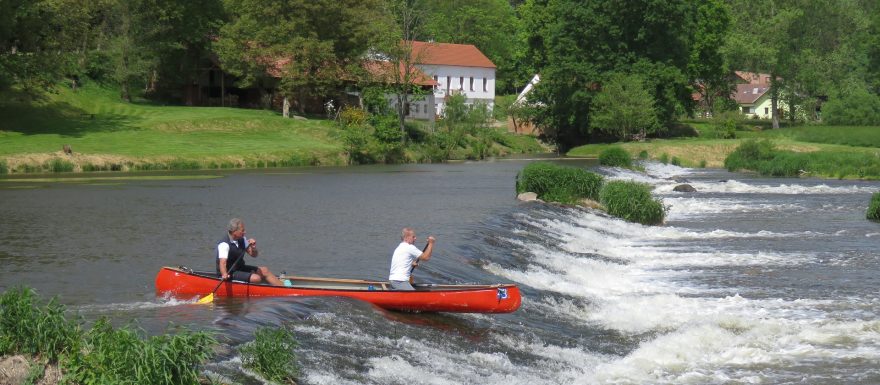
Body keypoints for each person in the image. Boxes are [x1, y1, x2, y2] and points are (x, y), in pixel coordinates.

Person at [216, 218, 284, 286]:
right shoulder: (224, 244)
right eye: (242, 230)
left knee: (264, 270)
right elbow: (222, 263)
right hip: (229, 272)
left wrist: (253, 248)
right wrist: (224, 274)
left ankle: (284, 288)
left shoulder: (242, 239)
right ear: (234, 231)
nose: (245, 232)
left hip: (240, 268)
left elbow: (254, 255)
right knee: (256, 278)